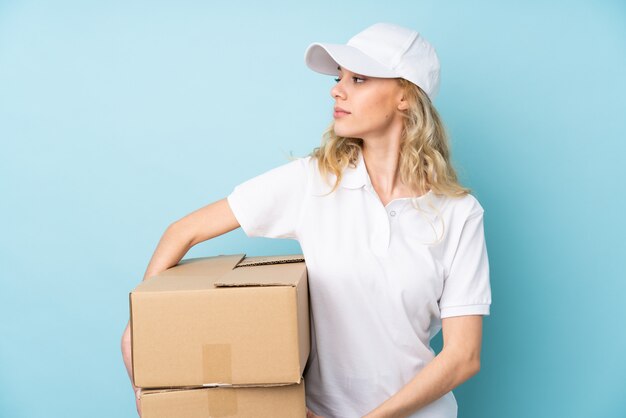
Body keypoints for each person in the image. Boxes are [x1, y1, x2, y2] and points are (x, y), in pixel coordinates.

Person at [121, 22, 492, 418]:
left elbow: (463, 356)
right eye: (339, 77)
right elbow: (182, 232)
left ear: (405, 96)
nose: (337, 89)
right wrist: (144, 330)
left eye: (360, 78)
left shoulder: (459, 214)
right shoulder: (313, 182)